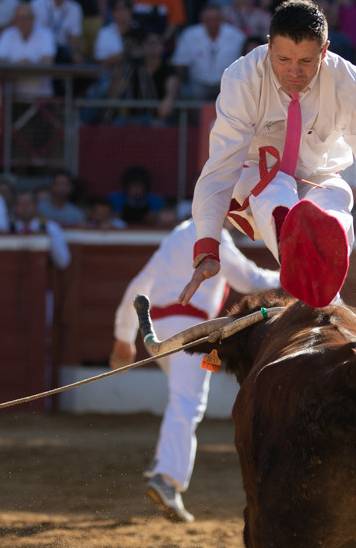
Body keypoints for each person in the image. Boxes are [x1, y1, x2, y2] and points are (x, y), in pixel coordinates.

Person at [179, 0, 356, 311]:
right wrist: (207, 246)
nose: (294, 72)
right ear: (269, 46)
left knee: (337, 199)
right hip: (257, 182)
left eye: (306, 62)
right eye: (284, 59)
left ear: (325, 51)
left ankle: (324, 281)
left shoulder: (350, 84)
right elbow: (220, 168)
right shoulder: (242, 78)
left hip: (319, 177)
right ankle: (305, 265)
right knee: (277, 188)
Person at [110, 217, 281, 522]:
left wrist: (124, 336)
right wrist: (290, 278)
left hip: (158, 330)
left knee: (183, 397)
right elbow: (250, 280)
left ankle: (164, 460)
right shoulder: (213, 235)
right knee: (187, 402)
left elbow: (140, 283)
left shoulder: (177, 234)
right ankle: (166, 479)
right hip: (193, 331)